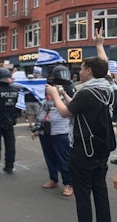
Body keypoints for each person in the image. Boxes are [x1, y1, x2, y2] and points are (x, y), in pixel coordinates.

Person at [46, 33, 114, 221]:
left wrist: (55, 94)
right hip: (102, 148)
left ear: (90, 71)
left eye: (82, 69)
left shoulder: (87, 93)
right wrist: (99, 45)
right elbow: (104, 67)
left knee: (83, 194)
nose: (79, 72)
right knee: (100, 189)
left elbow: (65, 112)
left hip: (84, 150)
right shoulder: (108, 86)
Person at [31, 65, 74, 197]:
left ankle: (68, 183)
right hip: (46, 131)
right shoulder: (47, 94)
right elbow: (42, 110)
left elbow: (72, 108)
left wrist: (62, 93)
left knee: (63, 159)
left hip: (61, 131)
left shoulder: (69, 92)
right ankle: (53, 179)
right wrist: (37, 128)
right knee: (50, 157)